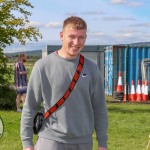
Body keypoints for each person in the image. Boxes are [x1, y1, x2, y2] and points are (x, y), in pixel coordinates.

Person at [21, 16, 108, 150]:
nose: (76, 42)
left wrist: (102, 143)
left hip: (83, 141)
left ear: (86, 37)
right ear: (62, 36)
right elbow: (30, 106)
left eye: (81, 37)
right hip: (50, 140)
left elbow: (100, 107)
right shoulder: (43, 66)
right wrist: (27, 143)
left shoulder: (92, 68)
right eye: (71, 36)